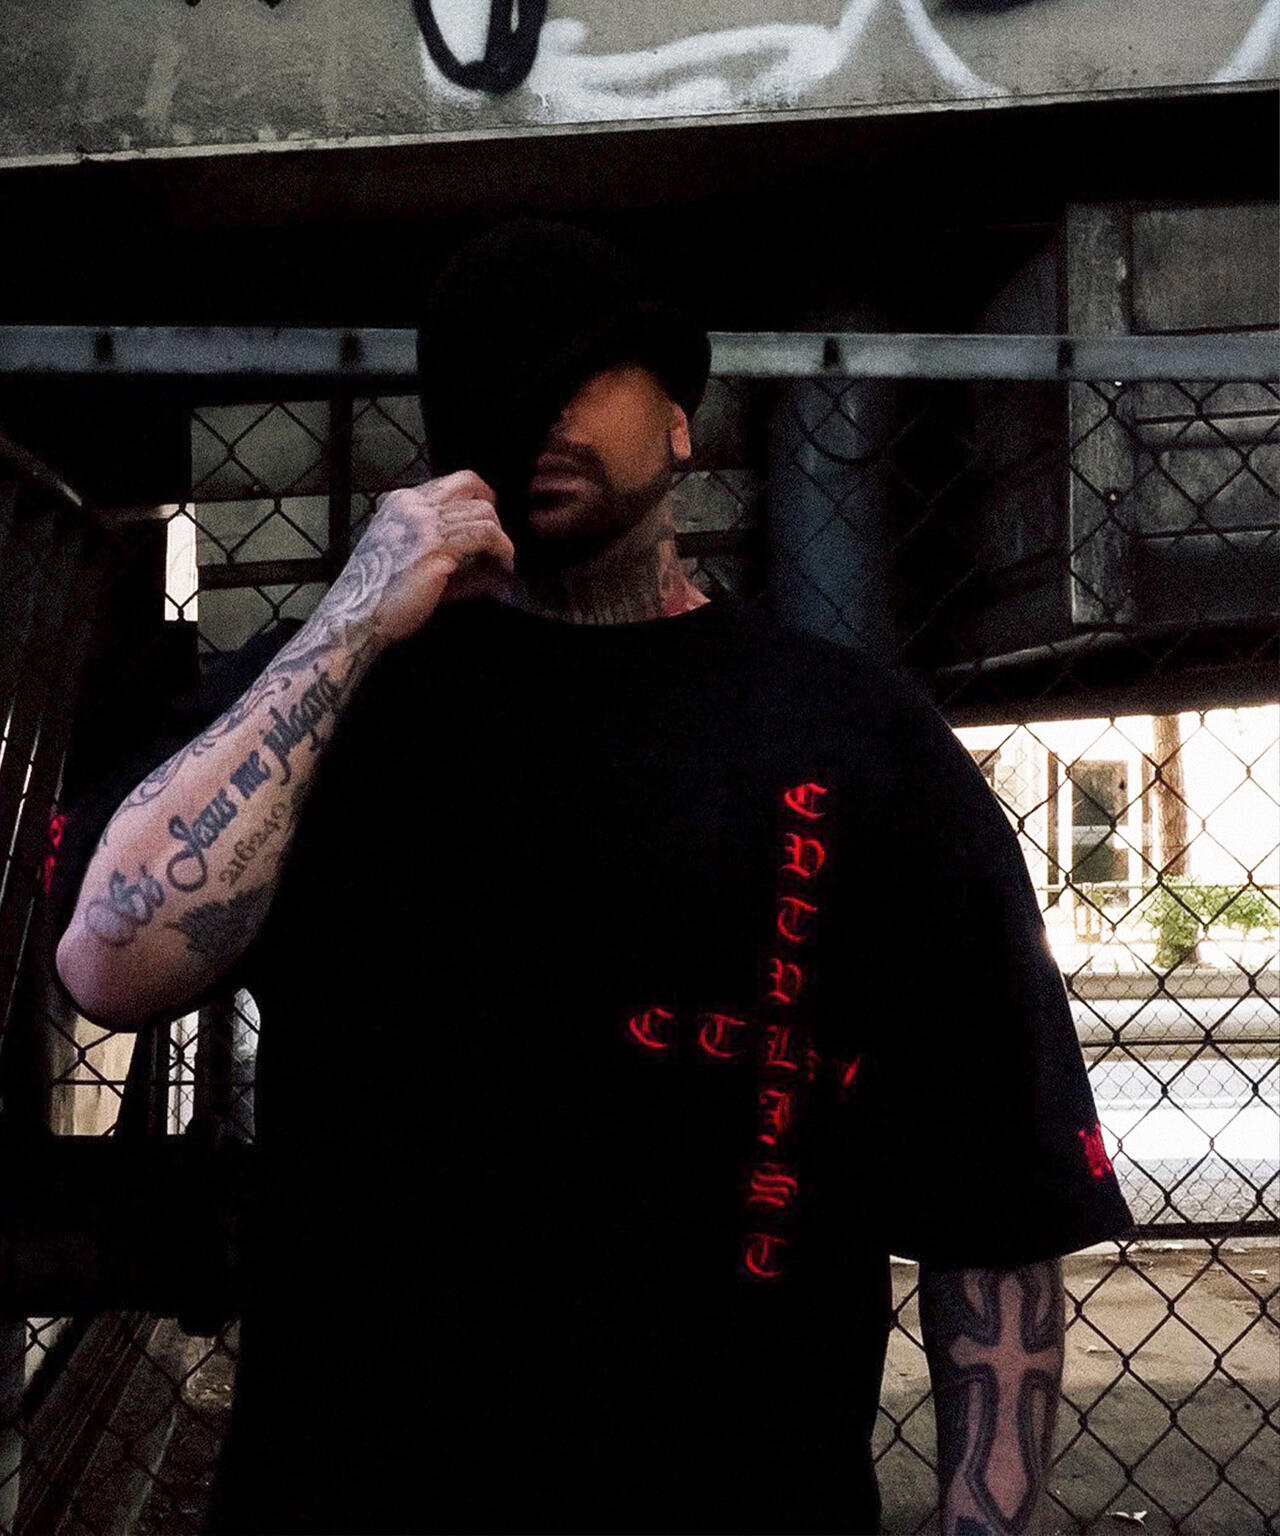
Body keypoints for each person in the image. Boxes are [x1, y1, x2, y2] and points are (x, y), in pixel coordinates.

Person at [52, 220, 1132, 1536]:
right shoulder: (335, 704)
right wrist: (349, 621)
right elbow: (112, 961)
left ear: (680, 422)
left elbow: (995, 1200)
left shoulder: (858, 739)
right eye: (496, 383)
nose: (538, 415)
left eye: (580, 376)